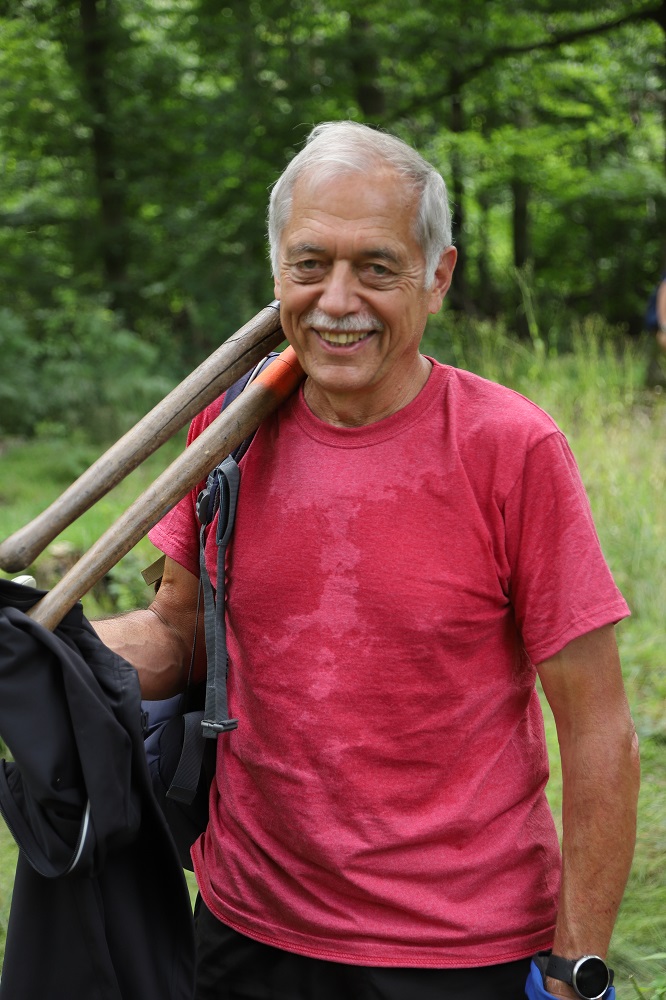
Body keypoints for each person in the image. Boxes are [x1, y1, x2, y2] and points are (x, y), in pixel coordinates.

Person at [95, 121, 640, 1000]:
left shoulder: (511, 449)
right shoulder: (228, 431)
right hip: (244, 927)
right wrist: (54, 650)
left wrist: (576, 967)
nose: (336, 299)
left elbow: (597, 726)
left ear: (438, 277)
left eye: (376, 268)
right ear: (277, 270)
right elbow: (179, 637)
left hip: (459, 950)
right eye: (310, 265)